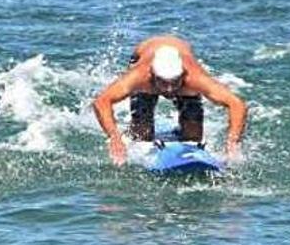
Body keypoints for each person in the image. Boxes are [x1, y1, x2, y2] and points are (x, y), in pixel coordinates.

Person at [92, 36, 248, 166]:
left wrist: (232, 142)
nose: (168, 89)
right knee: (142, 133)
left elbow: (237, 104)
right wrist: (114, 138)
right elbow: (102, 101)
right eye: (163, 83)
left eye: (174, 82)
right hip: (144, 52)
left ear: (182, 75)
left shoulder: (194, 78)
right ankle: (139, 126)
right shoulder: (139, 76)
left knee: (193, 136)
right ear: (153, 74)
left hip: (181, 52)